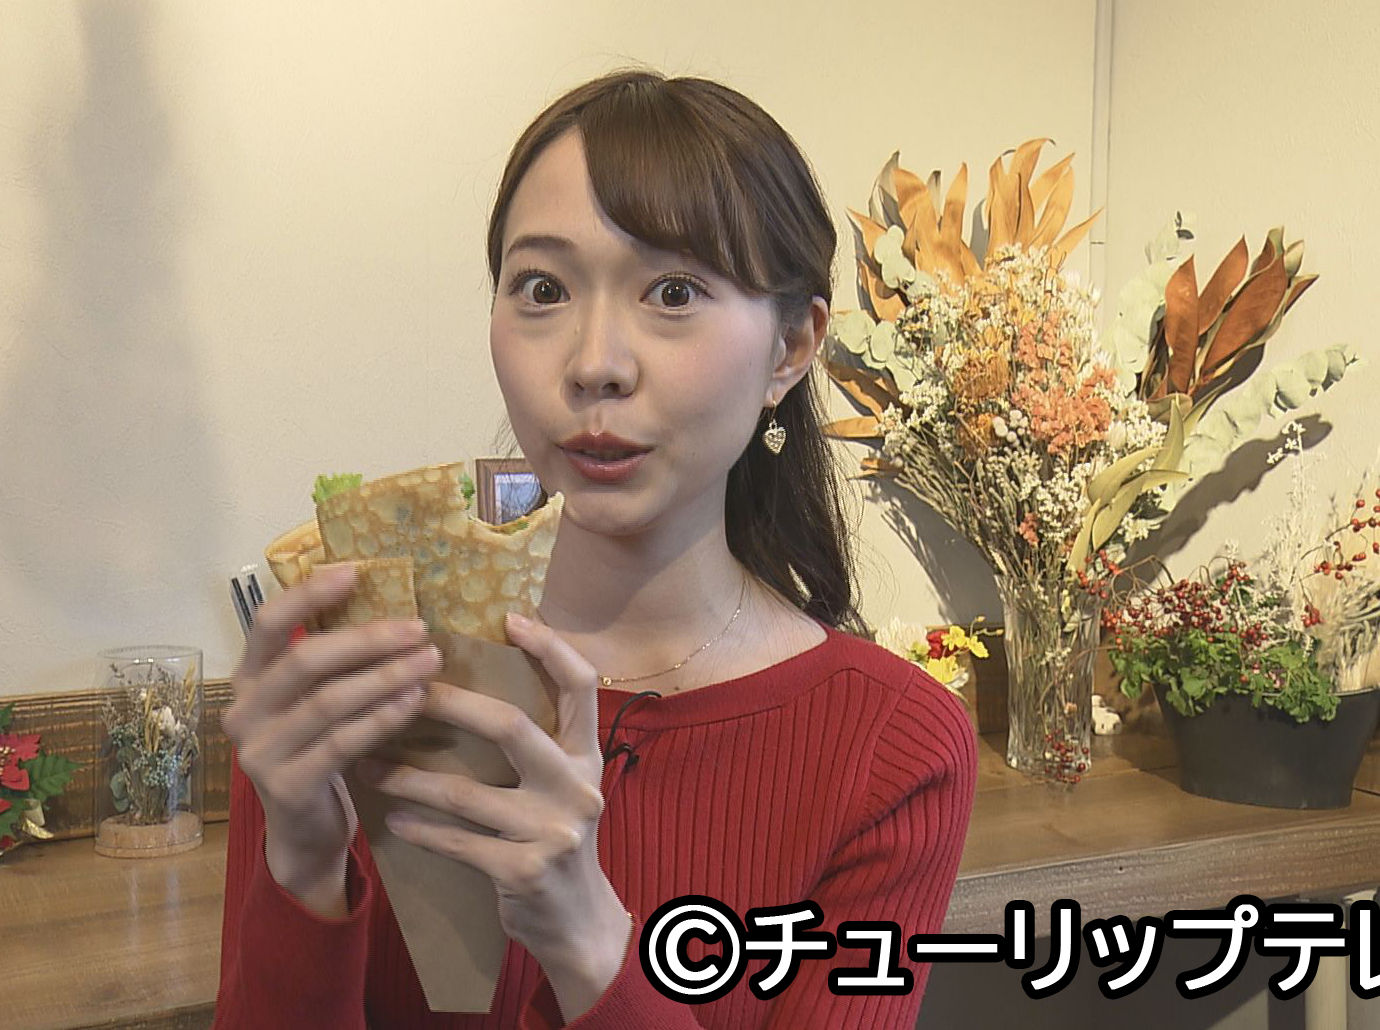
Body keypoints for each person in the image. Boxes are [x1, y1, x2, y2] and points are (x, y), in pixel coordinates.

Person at [213, 68, 978, 1029]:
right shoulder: (342, 671)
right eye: (543, 288)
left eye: (674, 291)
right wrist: (303, 869)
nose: (593, 365)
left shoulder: (892, 747)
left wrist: (584, 936)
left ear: (791, 348)